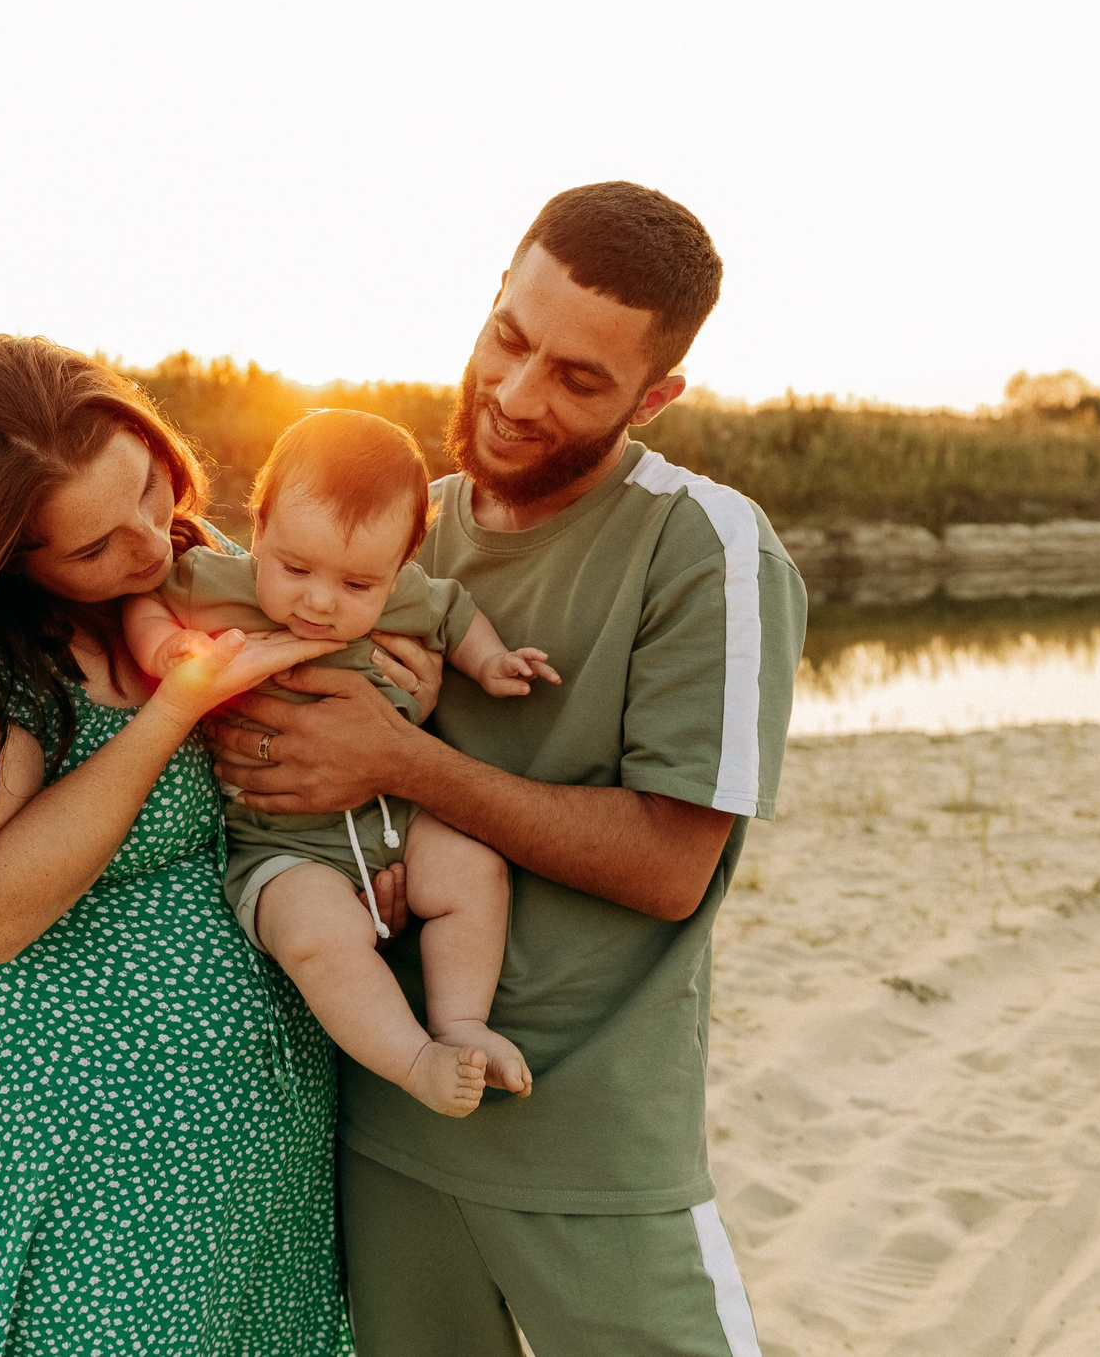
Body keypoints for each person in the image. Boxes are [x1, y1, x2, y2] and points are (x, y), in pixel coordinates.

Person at [208, 181, 810, 1357]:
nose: (517, 393)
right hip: (381, 1127)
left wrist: (402, 759)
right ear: (488, 302)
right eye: (509, 338)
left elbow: (669, 864)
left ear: (657, 395)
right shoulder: (388, 529)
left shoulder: (707, 547)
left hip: (591, 1150)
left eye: (579, 378)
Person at [0, 335, 356, 1356]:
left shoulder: (185, 570)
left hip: (247, 1139)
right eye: (94, 547)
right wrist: (172, 710)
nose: (147, 539)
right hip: (64, 1153)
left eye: (146, 486)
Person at [127, 409, 557, 1118]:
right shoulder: (217, 581)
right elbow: (148, 597)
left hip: (396, 815)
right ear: (259, 530)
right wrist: (161, 650)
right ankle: (415, 1060)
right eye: (295, 569)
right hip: (280, 843)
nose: (321, 601)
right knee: (320, 938)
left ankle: (459, 1024)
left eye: (359, 585)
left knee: (474, 869)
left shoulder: (408, 594)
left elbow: (454, 614)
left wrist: (490, 660)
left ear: (399, 568)